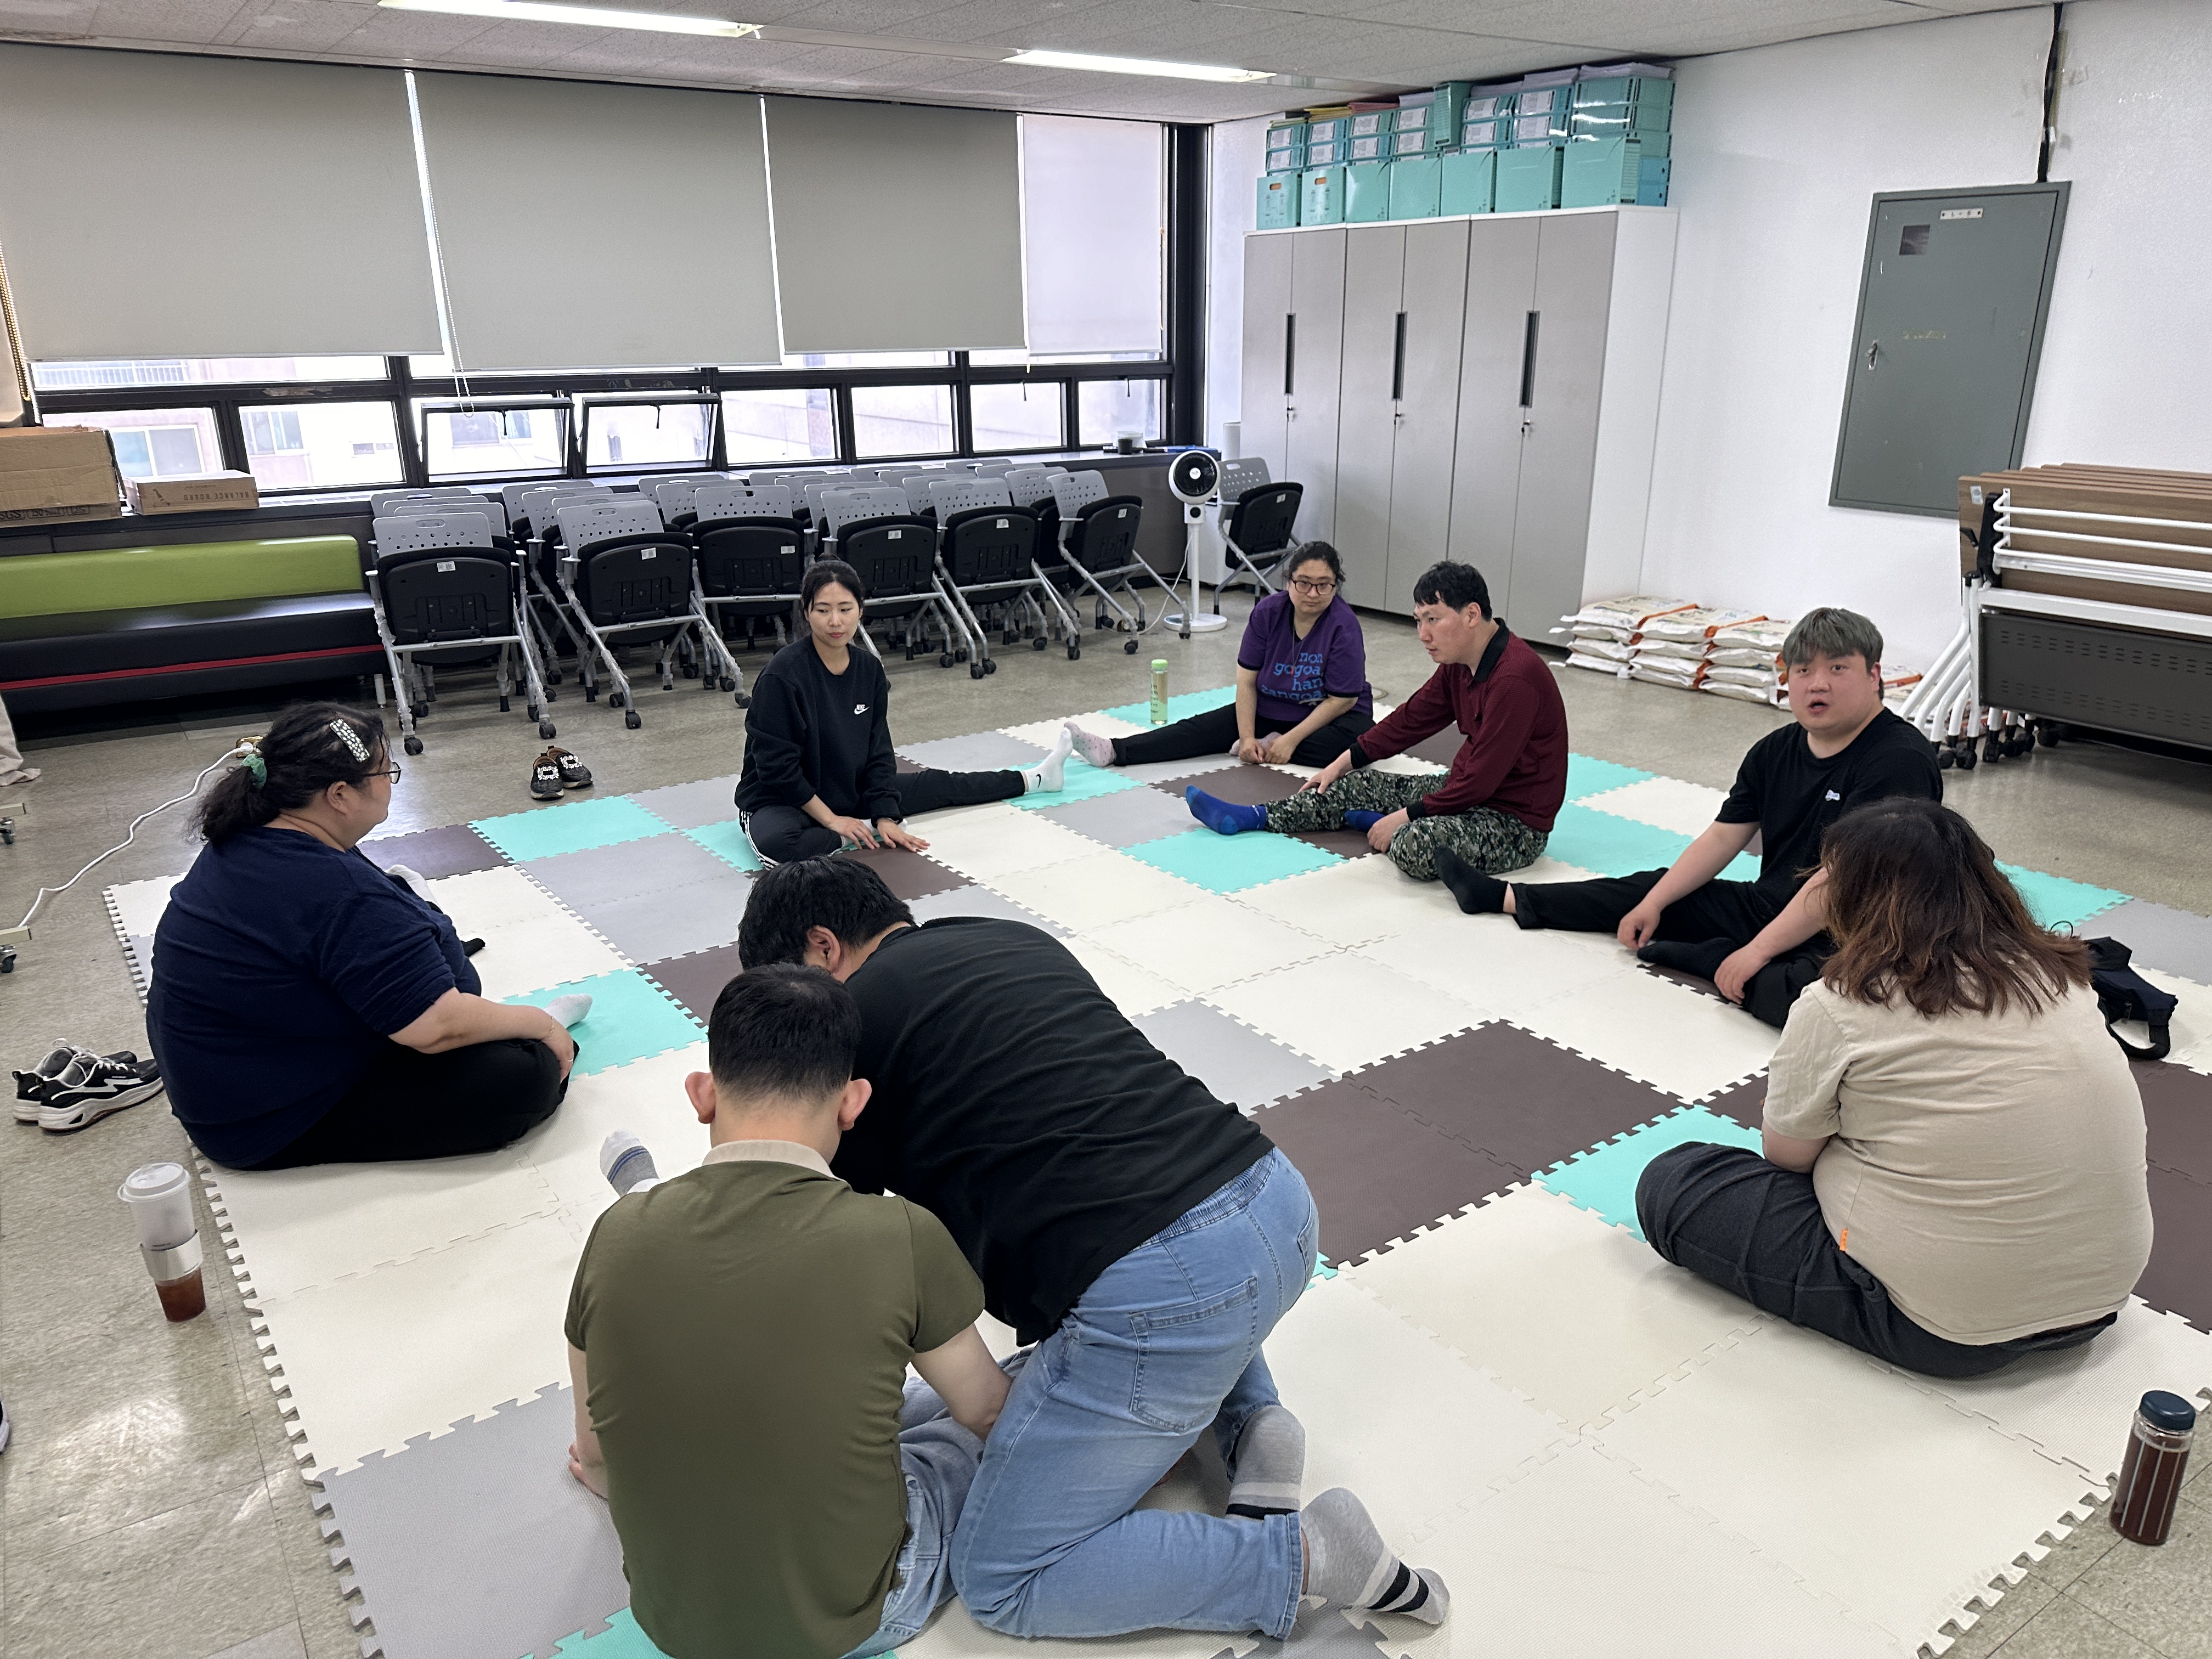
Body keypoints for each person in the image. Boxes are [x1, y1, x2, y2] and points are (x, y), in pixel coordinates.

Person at [736, 859, 1448, 1644]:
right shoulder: (1002, 935)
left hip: (1170, 1287)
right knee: (1126, 1237)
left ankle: (1309, 1556)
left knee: (1002, 1578)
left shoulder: (845, 1026)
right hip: (1276, 1204)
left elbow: (828, 1235)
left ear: (822, 948)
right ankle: (1255, 1423)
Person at [564, 964, 1013, 1659]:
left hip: (672, 1621)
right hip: (861, 1616)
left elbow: (595, 1454)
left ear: (703, 1095)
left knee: (854, 1403)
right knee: (972, 1418)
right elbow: (987, 1413)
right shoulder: (899, 1232)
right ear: (853, 1102)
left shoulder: (612, 1236)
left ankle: (648, 1189)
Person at [1635, 799, 2152, 1378]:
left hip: (1947, 1330)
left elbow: (1785, 1158)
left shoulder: (1839, 1004)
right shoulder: (2062, 978)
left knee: (1674, 1179)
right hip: (2100, 1301)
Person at [1438, 607, 1942, 1029]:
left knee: (1814, 1004)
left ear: (1875, 676)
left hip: (1858, 932)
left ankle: (1710, 957)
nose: (1818, 684)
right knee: (1649, 891)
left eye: (1838, 668)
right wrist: (1655, 904)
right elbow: (1723, 838)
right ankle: (1505, 897)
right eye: (1804, 670)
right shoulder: (1775, 751)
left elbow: (1841, 880)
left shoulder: (1898, 760)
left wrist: (1756, 952)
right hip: (1770, 907)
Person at [149, 702, 578, 1169]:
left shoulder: (253, 836)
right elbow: (437, 1028)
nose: (391, 782)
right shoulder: (338, 888)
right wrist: (542, 1024)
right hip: (265, 1123)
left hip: (237, 1079)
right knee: (525, 1074)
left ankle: (419, 915)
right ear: (340, 795)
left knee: (455, 998)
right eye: (385, 772)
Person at [1185, 560, 1566, 884]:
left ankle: (1376, 823)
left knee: (1415, 844)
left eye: (1433, 620)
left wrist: (1405, 817)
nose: (1424, 634)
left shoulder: (1515, 680)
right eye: (1419, 621)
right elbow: (1411, 720)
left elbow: (1481, 781)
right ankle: (1254, 816)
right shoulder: (1459, 661)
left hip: (1513, 821)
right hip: (1463, 790)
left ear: (1471, 615)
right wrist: (1343, 762)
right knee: (1354, 782)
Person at [733, 560, 1071, 864]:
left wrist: (885, 815)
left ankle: (1035, 779)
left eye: (845, 609)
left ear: (861, 609)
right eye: (823, 610)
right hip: (782, 799)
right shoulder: (783, 675)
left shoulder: (869, 669)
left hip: (847, 789)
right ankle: (854, 832)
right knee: (780, 845)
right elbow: (777, 769)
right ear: (806, 612)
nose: (836, 621)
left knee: (939, 784)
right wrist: (834, 822)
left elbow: (878, 752)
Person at [1063, 543, 1373, 770]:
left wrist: (1289, 741)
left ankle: (1270, 743)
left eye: (1323, 585)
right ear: (1288, 580)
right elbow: (1247, 682)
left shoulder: (1343, 625)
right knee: (1198, 730)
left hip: (1330, 716)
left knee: (1359, 746)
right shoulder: (1268, 613)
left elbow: (1341, 700)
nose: (1313, 593)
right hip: (1270, 709)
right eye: (1303, 583)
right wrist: (1247, 736)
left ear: (1335, 586)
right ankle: (1114, 750)